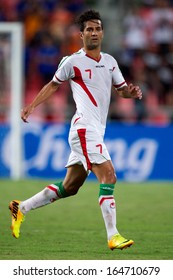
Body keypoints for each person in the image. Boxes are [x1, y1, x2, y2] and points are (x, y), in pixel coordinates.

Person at [9, 9, 142, 250]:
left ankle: (21, 207)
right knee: (109, 175)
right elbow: (53, 85)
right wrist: (31, 106)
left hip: (94, 130)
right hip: (84, 128)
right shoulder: (72, 61)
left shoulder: (110, 62)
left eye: (98, 28)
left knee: (70, 187)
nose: (94, 32)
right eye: (89, 29)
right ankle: (113, 236)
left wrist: (129, 93)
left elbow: (120, 89)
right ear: (81, 35)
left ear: (102, 32)